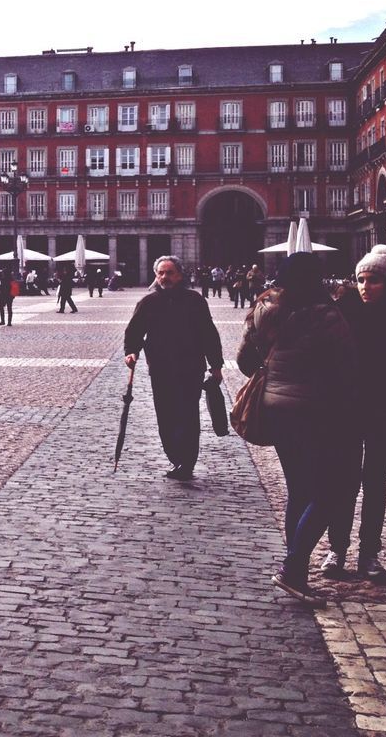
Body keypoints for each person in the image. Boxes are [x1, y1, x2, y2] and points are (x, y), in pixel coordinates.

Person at [236, 251, 357, 608]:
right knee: (332, 490)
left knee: (300, 488)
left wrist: (274, 375)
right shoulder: (326, 314)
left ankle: (298, 573)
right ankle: (293, 568)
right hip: (316, 410)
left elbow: (244, 360)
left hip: (276, 409)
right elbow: (345, 366)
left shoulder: (264, 310)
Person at [324, 245, 386, 583]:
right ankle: (336, 549)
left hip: (385, 410)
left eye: (374, 280)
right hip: (347, 410)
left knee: (375, 484)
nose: (365, 286)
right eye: (361, 279)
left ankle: (369, 555)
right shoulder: (342, 313)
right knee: (344, 481)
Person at [123, 256, 224, 482]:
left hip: (191, 369)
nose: (164, 277)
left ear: (180, 275)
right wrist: (131, 351)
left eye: (169, 273)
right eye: (161, 273)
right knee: (165, 415)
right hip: (161, 369)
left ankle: (186, 462)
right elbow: (134, 332)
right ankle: (175, 455)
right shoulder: (148, 303)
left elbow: (209, 334)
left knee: (188, 415)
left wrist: (216, 365)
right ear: (156, 276)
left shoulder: (195, 301)